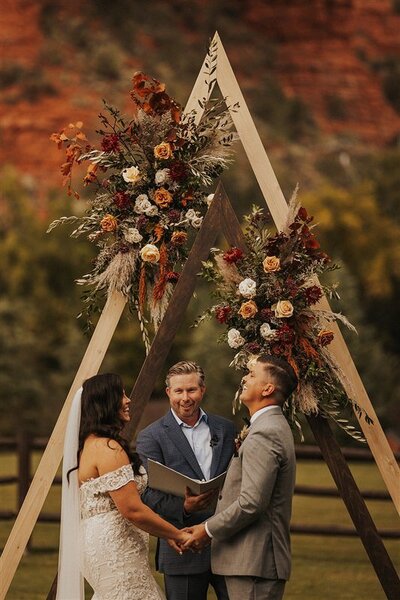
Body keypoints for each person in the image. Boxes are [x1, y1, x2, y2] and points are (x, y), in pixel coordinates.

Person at [57, 373, 191, 600]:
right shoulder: (108, 448)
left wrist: (163, 531)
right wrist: (176, 534)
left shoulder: (88, 446)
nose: (128, 400)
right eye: (121, 395)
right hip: (115, 547)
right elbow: (132, 509)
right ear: (106, 402)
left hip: (98, 541)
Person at [183, 354, 298, 600]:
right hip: (251, 561)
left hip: (254, 560)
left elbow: (252, 503)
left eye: (252, 374)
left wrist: (207, 530)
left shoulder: (265, 433)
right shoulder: (270, 426)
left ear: (268, 388)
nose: (244, 378)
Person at [136, 361, 236, 600]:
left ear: (203, 390)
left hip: (229, 543)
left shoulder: (226, 429)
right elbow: (147, 493)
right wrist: (184, 507)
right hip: (181, 544)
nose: (185, 398)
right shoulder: (151, 436)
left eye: (191, 390)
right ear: (168, 392)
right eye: (179, 391)